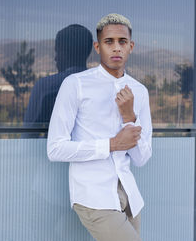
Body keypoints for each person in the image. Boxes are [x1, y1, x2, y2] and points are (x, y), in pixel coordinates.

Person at [47, 13, 152, 241]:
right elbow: (55, 148)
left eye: (122, 42)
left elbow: (142, 157)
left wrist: (128, 117)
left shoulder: (140, 91)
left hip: (130, 197)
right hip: (93, 195)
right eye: (109, 42)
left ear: (131, 46)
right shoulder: (75, 85)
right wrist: (112, 145)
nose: (116, 48)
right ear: (97, 46)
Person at [23, 24, 93, 135]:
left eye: (57, 51)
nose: (55, 58)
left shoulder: (45, 87)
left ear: (64, 52)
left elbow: (28, 134)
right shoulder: (103, 86)